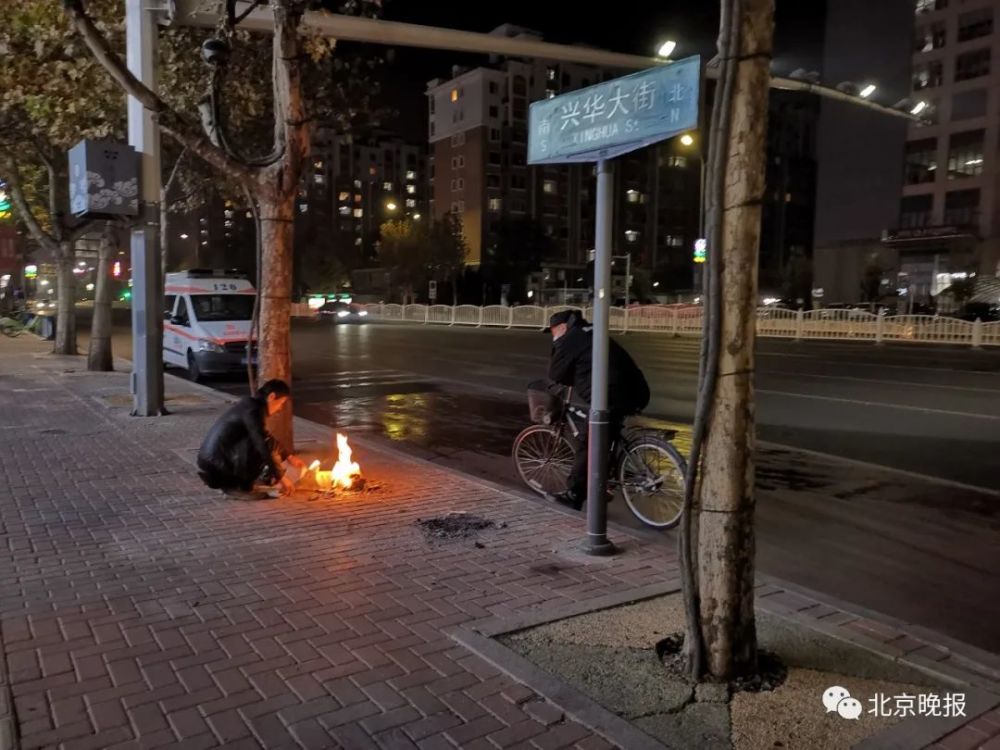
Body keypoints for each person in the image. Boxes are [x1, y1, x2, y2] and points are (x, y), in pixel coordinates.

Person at [546, 310, 650, 510]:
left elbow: (555, 372)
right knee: (606, 436)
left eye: (553, 331)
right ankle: (602, 486)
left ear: (562, 328)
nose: (553, 335)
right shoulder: (591, 330)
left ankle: (574, 494)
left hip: (612, 395)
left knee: (589, 442)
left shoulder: (570, 338)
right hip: (636, 389)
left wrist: (557, 345)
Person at [196, 379, 305, 498]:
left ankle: (242, 484)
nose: (280, 408)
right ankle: (240, 488)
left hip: (213, 462)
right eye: (281, 403)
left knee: (263, 441)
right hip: (218, 466)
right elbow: (263, 443)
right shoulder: (253, 411)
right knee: (262, 445)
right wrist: (281, 477)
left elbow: (265, 436)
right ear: (272, 397)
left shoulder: (250, 405)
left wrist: (288, 456)